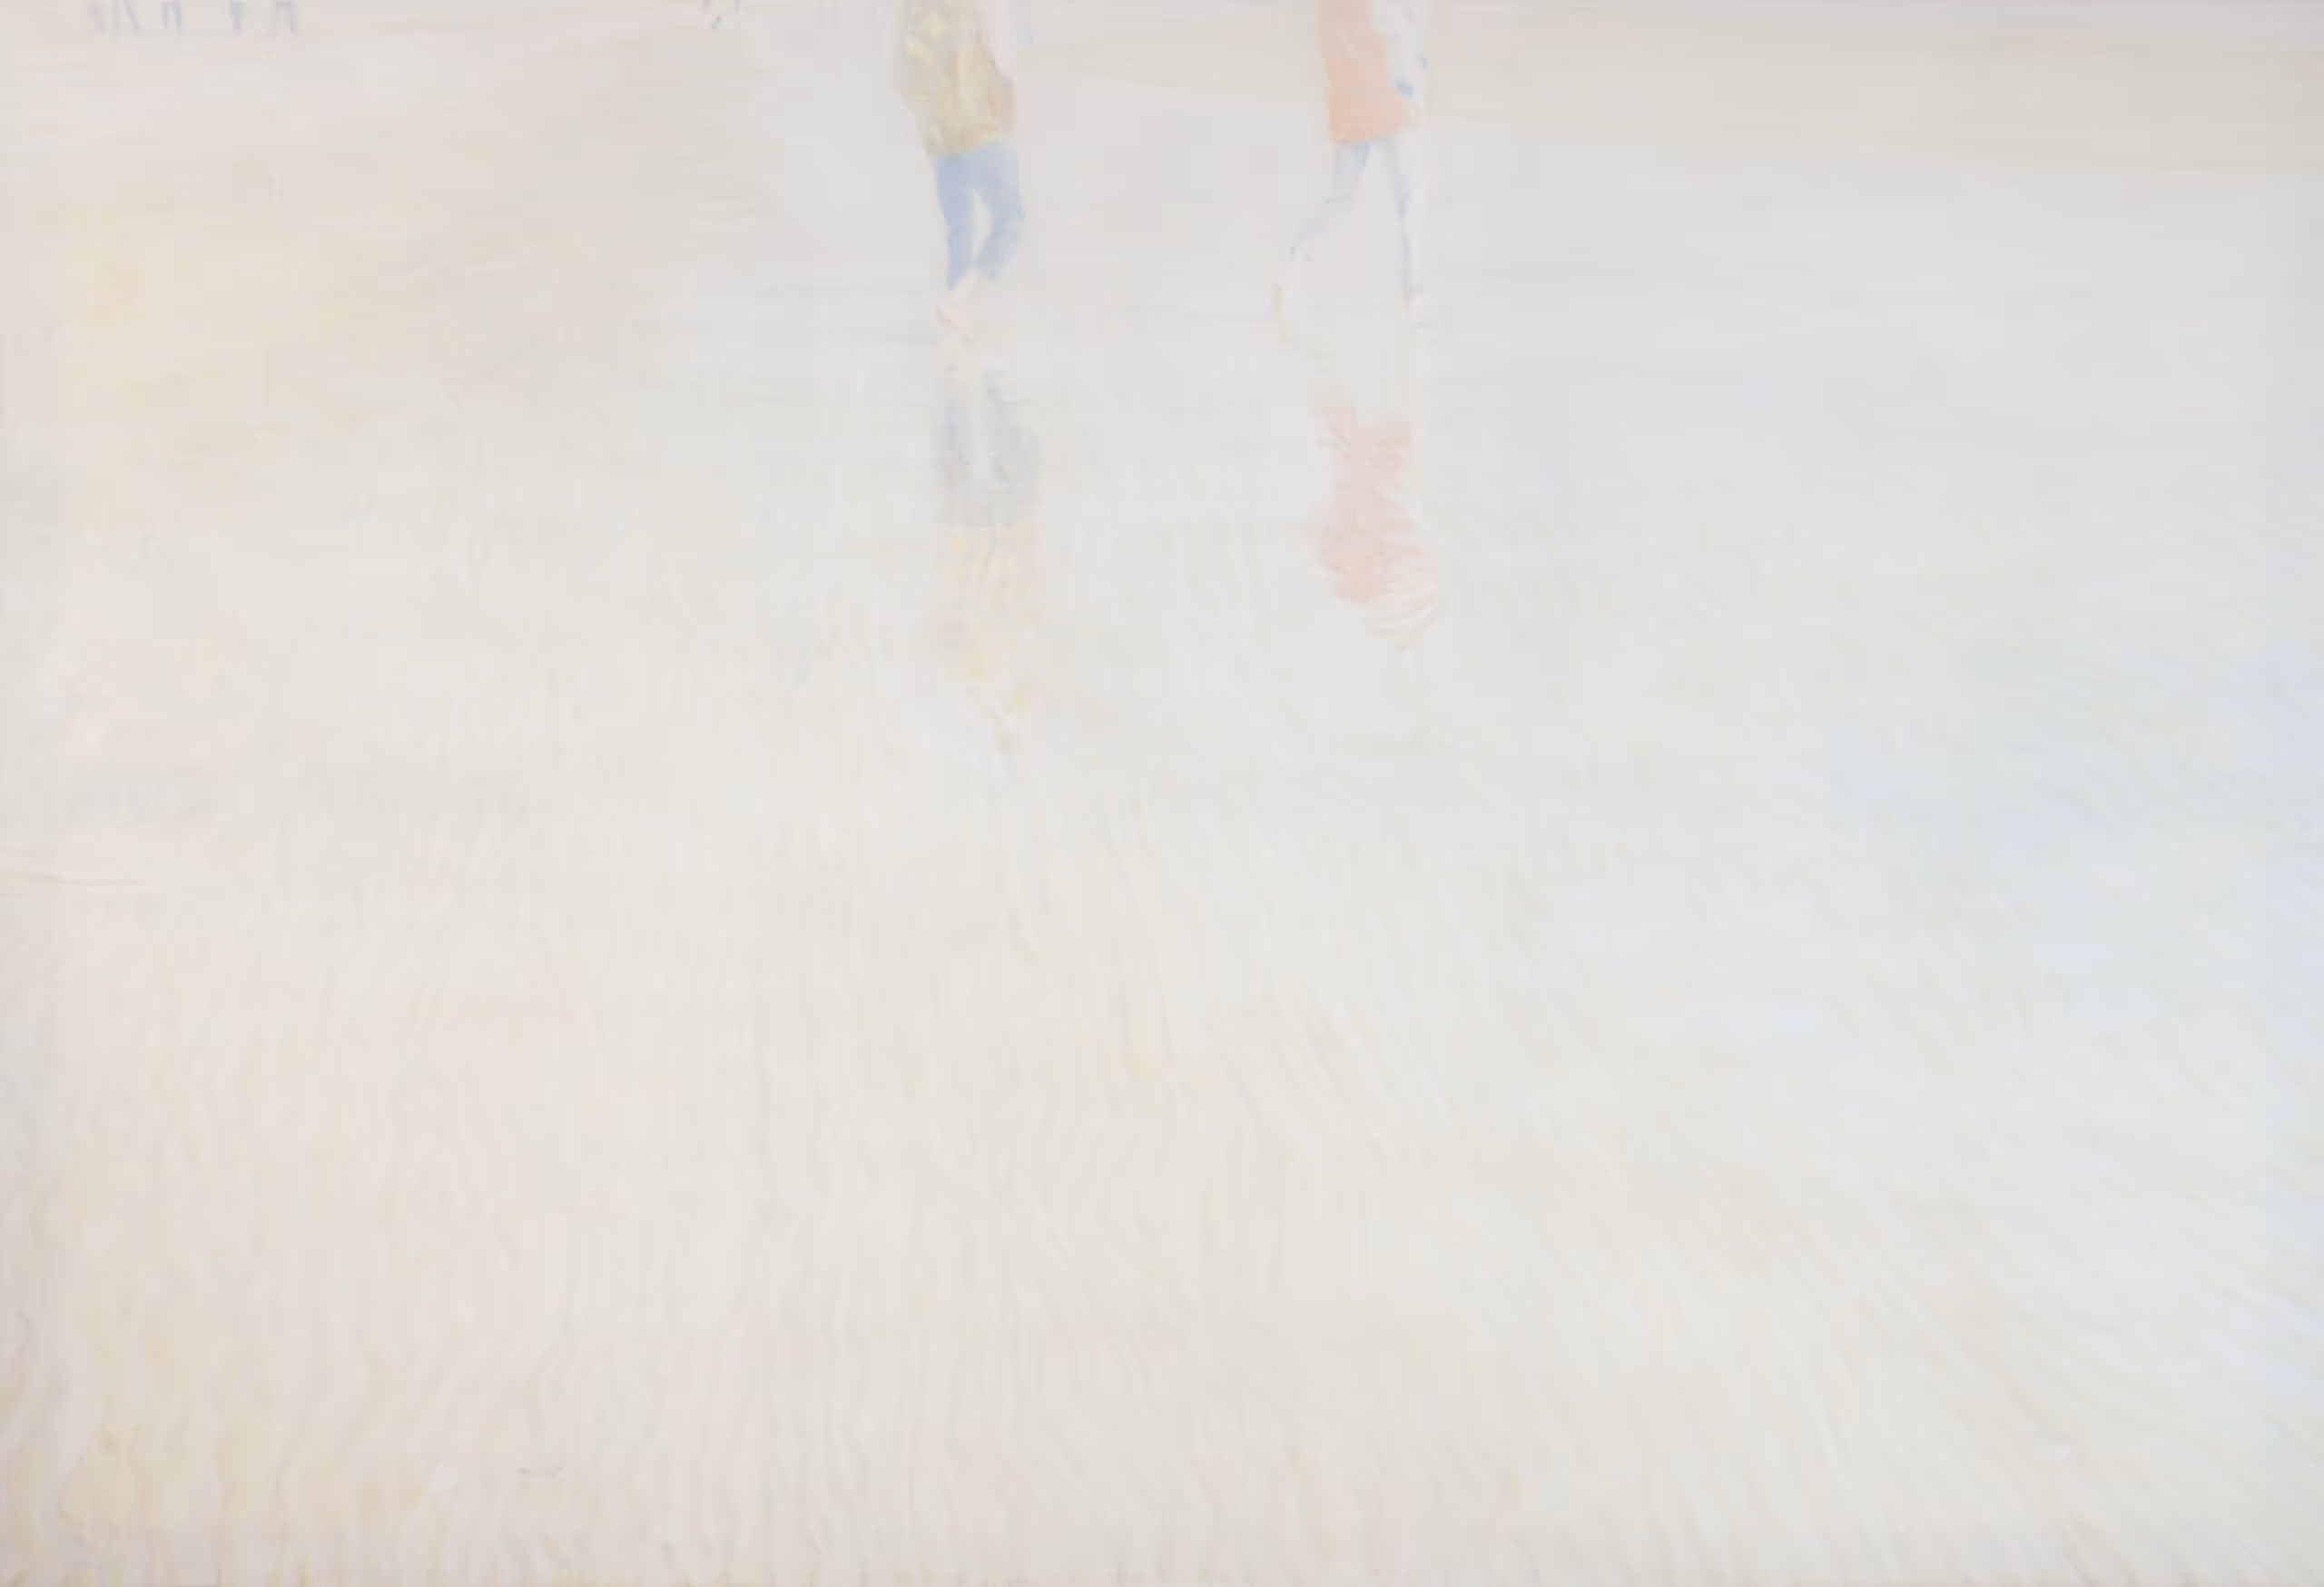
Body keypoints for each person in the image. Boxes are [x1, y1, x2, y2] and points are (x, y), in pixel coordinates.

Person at [1277, 0, 1431, 322]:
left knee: (1342, 197)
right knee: (1409, 200)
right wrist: (1414, 92)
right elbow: (1399, 38)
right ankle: (1414, 295)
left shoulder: (1329, 9)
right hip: (1387, 100)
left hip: (1352, 103)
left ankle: (1295, 261)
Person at [890, 0, 1026, 333]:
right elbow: (1003, 59)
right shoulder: (979, 7)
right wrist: (1004, 109)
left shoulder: (912, 11)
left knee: (959, 231)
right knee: (1011, 220)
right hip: (984, 128)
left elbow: (901, 73)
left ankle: (956, 313)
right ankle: (965, 297)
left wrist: (930, 115)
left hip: (943, 136)